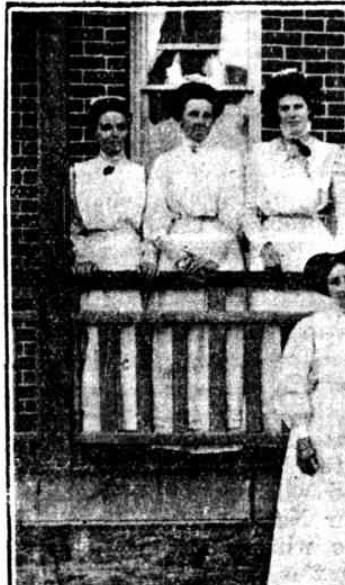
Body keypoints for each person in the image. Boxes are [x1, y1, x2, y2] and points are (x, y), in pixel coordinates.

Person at [267, 246, 345, 585]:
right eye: (335, 282)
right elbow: (291, 383)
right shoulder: (310, 327)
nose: (344, 287)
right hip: (321, 421)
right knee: (314, 509)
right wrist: (302, 434)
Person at [144, 78, 247, 433]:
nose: (200, 121)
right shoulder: (164, 164)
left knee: (221, 337)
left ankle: (222, 427)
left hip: (221, 250)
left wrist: (213, 257)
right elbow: (155, 221)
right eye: (193, 114)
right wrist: (183, 258)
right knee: (180, 336)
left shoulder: (229, 160)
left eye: (207, 115)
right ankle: (176, 428)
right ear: (179, 118)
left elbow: (235, 213)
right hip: (177, 250)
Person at [69, 96, 150, 433]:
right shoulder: (79, 172)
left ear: (128, 130)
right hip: (95, 255)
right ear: (95, 131)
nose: (113, 134)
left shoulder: (140, 172)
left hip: (127, 254)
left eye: (119, 127)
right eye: (106, 127)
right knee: (95, 337)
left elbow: (149, 224)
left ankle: (129, 425)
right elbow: (72, 226)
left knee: (128, 339)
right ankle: (95, 424)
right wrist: (81, 256)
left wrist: (146, 256)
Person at [247, 69, 345, 275]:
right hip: (272, 241)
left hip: (312, 241)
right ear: (276, 112)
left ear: (309, 110)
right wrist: (261, 245)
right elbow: (248, 209)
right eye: (284, 108)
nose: (292, 114)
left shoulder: (330, 153)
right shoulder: (260, 153)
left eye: (298, 106)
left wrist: (339, 254)